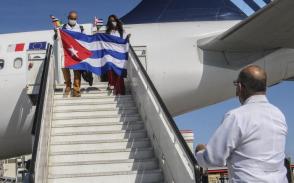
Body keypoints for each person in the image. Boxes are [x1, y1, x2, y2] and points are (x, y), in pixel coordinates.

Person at [195, 65, 288, 182]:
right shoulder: (279, 115)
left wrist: (200, 151)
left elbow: (213, 159)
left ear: (240, 87)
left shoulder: (236, 117)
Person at [105, 14, 130, 95]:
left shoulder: (121, 31)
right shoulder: (108, 32)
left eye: (114, 20)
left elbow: (124, 42)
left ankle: (120, 91)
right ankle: (111, 84)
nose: (113, 22)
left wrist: (127, 39)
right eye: (111, 21)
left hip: (119, 55)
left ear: (116, 21)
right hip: (111, 54)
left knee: (119, 73)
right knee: (111, 70)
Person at [61, 11, 83, 97]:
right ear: (68, 18)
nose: (72, 20)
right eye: (71, 18)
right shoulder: (63, 27)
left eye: (74, 18)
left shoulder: (80, 28)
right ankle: (68, 85)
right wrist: (56, 33)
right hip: (66, 51)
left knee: (77, 71)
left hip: (76, 52)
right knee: (65, 68)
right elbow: (57, 38)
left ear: (76, 19)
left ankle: (76, 89)